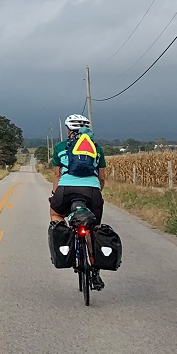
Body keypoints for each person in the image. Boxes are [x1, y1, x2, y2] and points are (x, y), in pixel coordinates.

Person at [49, 113, 107, 289]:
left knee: (56, 213)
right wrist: (97, 191)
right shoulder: (96, 148)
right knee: (93, 226)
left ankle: (65, 241)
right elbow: (102, 177)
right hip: (92, 191)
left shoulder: (60, 147)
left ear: (69, 130)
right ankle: (95, 271)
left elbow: (57, 175)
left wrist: (54, 193)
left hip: (66, 189)